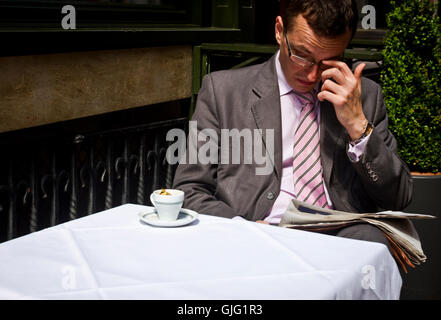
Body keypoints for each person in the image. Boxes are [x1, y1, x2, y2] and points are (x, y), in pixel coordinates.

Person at [172, 0, 413, 250]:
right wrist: (243, 227)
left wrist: (357, 126)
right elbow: (190, 188)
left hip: (340, 237)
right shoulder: (223, 92)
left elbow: (398, 197)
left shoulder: (364, 96)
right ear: (279, 31)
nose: (312, 75)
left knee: (371, 244)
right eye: (302, 55)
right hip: (255, 232)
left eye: (328, 61)